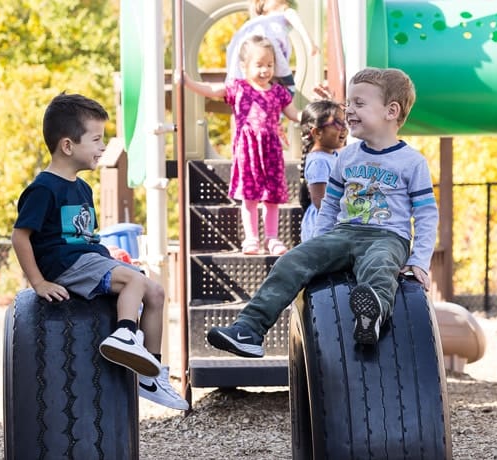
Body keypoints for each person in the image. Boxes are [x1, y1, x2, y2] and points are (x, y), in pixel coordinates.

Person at [206, 67, 438, 356]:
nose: (349, 111)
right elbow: (329, 205)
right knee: (291, 261)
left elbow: (426, 214)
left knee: (379, 266)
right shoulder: (346, 157)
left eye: (359, 104)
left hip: (387, 236)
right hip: (344, 233)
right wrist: (317, 244)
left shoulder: (412, 162)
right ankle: (249, 329)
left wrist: (419, 260)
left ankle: (372, 315)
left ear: (391, 111)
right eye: (348, 103)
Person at [11, 93, 188, 411]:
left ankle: (154, 374)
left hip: (84, 259)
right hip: (64, 264)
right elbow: (20, 236)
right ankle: (124, 335)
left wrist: (108, 255)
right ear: (68, 145)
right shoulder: (43, 188)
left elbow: (83, 236)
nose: (103, 147)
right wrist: (39, 282)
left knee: (156, 292)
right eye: (96, 139)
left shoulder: (82, 187)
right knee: (134, 281)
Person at [184, 35, 300, 255]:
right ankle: (252, 238)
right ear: (243, 66)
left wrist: (315, 115)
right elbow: (212, 90)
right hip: (248, 152)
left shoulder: (278, 92)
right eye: (259, 65)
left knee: (272, 197)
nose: (265, 70)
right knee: (250, 196)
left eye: (270, 65)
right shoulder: (239, 88)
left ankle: (272, 238)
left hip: (272, 152)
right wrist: (188, 83)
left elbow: (293, 114)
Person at [225, 0, 319, 94]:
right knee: (283, 79)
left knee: (262, 71)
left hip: (257, 46)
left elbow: (298, 23)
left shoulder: (263, 20)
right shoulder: (266, 19)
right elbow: (299, 24)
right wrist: (310, 44)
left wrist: (310, 43)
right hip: (267, 45)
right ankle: (284, 93)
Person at [298, 99, 348, 242]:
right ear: (317, 132)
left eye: (344, 122)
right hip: (323, 228)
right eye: (337, 123)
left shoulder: (333, 155)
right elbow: (320, 201)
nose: (344, 128)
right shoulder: (319, 161)